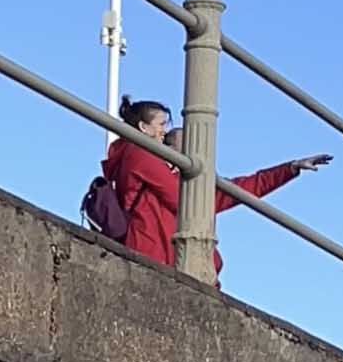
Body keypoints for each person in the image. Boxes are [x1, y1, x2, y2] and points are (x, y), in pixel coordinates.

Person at [84, 97, 323, 269]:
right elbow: (186, 201)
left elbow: (236, 190)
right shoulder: (139, 155)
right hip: (153, 254)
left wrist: (289, 169)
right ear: (143, 128)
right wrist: (197, 175)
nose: (163, 131)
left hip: (169, 258)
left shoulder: (161, 168)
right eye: (161, 124)